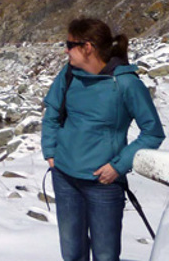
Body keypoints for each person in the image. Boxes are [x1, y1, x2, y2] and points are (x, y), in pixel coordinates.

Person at [42, 17, 165, 261]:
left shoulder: (126, 83)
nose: (66, 50)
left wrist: (118, 166)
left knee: (106, 255)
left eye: (70, 45)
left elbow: (152, 132)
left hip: (103, 184)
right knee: (71, 253)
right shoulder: (68, 73)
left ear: (88, 47)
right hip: (65, 178)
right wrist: (51, 152)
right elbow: (52, 113)